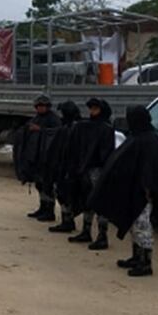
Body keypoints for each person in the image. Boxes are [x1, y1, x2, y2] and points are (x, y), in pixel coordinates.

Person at [89, 106, 158, 277]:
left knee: (142, 226)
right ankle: (136, 256)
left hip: (144, 192)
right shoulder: (136, 136)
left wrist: (148, 189)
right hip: (132, 189)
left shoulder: (151, 140)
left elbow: (151, 168)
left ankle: (146, 262)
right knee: (134, 225)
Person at [67, 98, 116, 250]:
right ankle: (86, 231)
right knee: (87, 200)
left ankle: (102, 236)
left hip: (99, 170)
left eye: (95, 109)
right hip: (86, 170)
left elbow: (106, 153)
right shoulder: (85, 127)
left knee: (100, 202)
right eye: (91, 109)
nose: (92, 112)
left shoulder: (106, 129)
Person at [13, 94, 62, 222]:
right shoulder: (36, 118)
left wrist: (40, 130)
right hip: (36, 157)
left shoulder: (54, 119)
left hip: (47, 158)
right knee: (39, 184)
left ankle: (49, 210)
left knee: (47, 185)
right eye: (39, 106)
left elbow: (56, 134)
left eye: (43, 106)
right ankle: (42, 207)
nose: (41, 108)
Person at [47, 101, 82, 234]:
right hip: (64, 166)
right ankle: (67, 220)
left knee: (66, 194)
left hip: (69, 167)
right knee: (62, 193)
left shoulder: (73, 128)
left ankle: (68, 221)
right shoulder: (69, 127)